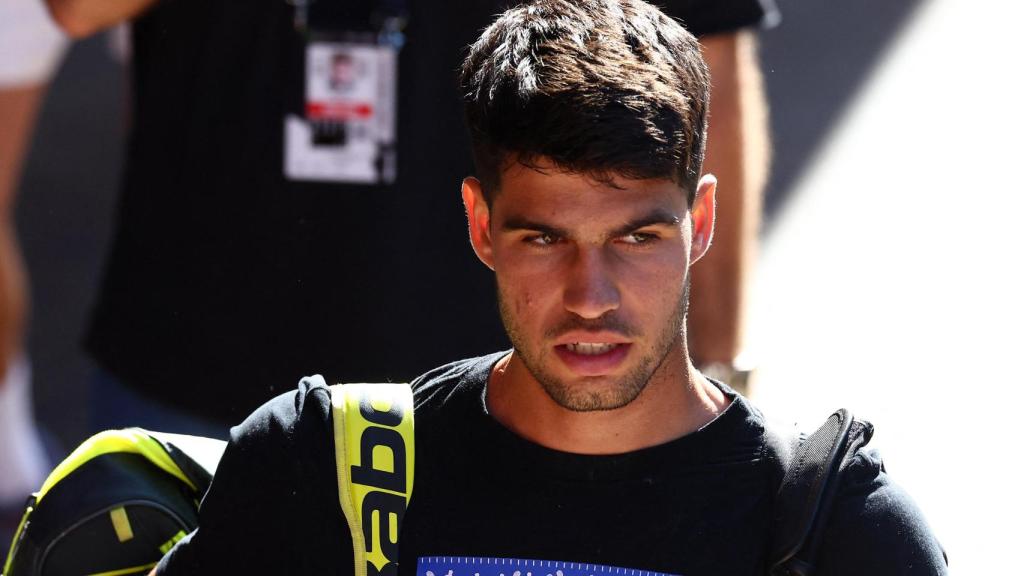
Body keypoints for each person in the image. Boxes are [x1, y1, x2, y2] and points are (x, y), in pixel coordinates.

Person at [153, 1, 947, 574]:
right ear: (480, 225)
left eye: (637, 236)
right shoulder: (309, 474)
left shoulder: (841, 534)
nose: (591, 294)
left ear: (701, 220)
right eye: (545, 238)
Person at [37, 0, 773, 436]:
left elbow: (710, 73)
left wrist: (716, 370)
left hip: (506, 396)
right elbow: (75, 9)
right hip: (197, 369)